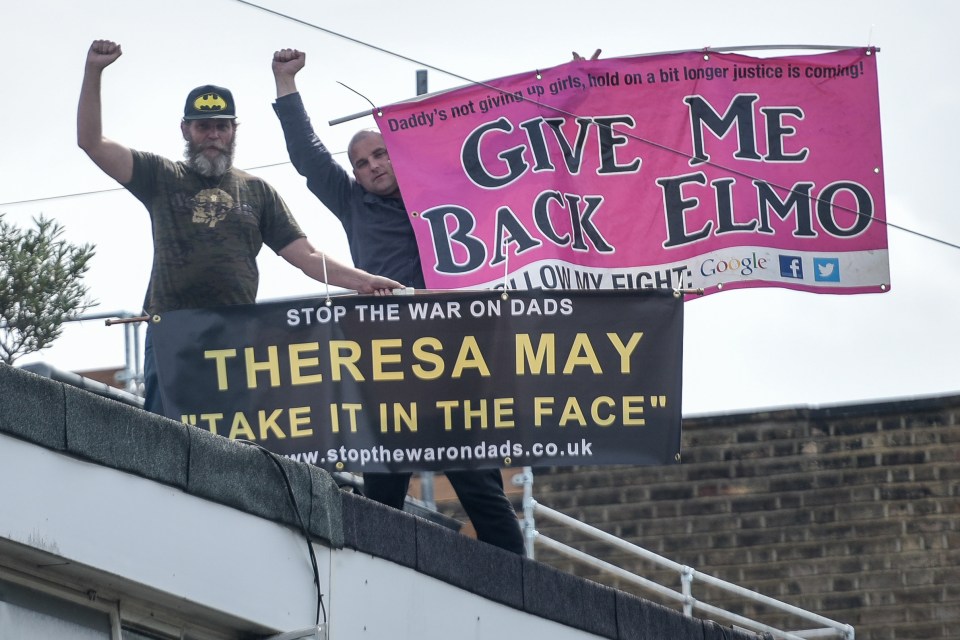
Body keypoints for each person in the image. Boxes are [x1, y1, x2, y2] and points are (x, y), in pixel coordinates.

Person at [271, 48, 525, 555]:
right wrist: (285, 82)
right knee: (383, 488)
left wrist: (579, 90)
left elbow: (529, 155)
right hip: (390, 363)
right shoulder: (351, 203)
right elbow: (306, 155)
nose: (371, 167)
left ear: (397, 155)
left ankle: (527, 595)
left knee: (479, 487)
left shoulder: (447, 192)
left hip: (455, 359)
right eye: (361, 164)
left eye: (379, 155)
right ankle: (371, 572)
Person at [77, 40, 401, 416]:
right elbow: (92, 142)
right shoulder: (161, 176)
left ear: (234, 130)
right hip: (172, 332)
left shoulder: (257, 191)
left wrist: (365, 281)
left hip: (233, 338)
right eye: (203, 127)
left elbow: (308, 256)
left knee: (230, 448)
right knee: (162, 443)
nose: (212, 135)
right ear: (186, 130)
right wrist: (94, 71)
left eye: (221, 126)